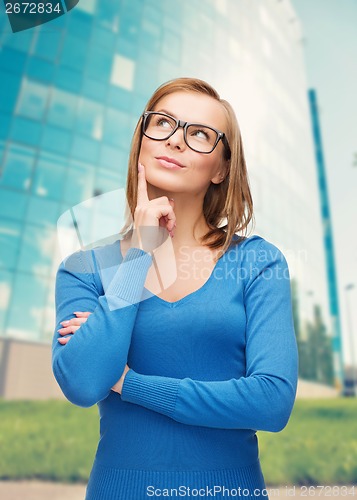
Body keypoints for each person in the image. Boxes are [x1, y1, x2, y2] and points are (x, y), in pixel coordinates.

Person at [52, 77, 298, 500]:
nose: (176, 141)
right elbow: (83, 382)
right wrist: (139, 255)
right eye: (163, 123)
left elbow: (272, 401)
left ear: (222, 167)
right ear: (142, 141)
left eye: (200, 133)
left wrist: (131, 384)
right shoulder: (84, 269)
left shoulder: (258, 262)